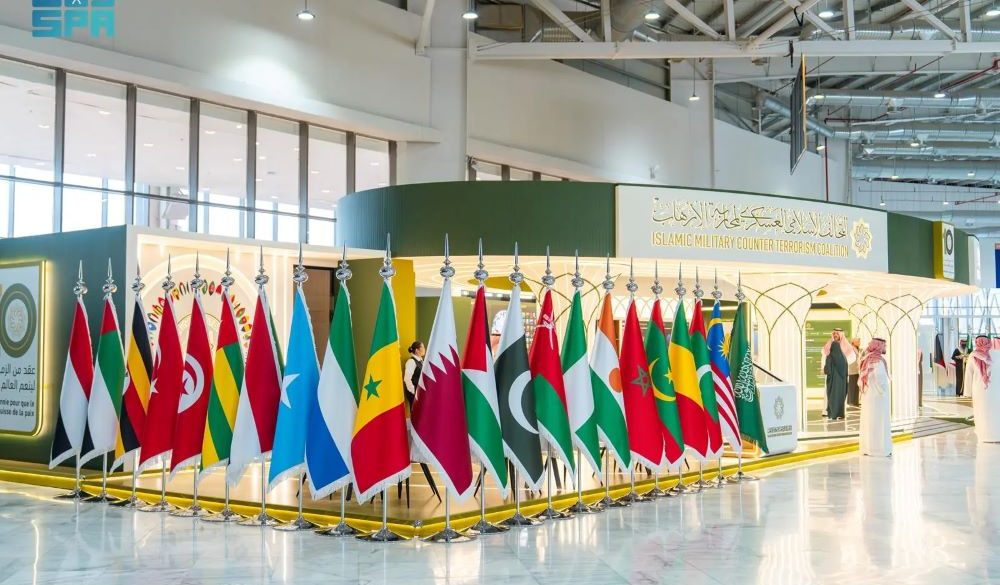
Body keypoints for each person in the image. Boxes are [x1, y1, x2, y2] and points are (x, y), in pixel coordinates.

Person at [859, 338, 892, 457]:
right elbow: (880, 378)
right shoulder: (878, 360)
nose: (885, 348)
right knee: (879, 423)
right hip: (878, 397)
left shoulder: (867, 359)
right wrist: (884, 391)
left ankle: (868, 448)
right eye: (884, 346)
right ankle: (879, 449)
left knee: (869, 422)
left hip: (868, 396)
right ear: (879, 346)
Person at [965, 336, 1000, 442]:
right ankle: (996, 435)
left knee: (981, 412)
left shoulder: (973, 355)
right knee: (994, 412)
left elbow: (968, 375)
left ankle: (984, 435)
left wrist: (967, 393)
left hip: (979, 390)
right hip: (995, 390)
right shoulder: (996, 354)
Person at [822, 328, 855, 420]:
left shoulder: (847, 346)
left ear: (841, 334)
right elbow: (824, 357)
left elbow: (852, 358)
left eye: (837, 333)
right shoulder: (829, 344)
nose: (835, 335)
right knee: (830, 392)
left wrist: (841, 363)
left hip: (841, 373)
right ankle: (827, 411)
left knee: (838, 393)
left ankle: (837, 411)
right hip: (832, 373)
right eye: (834, 334)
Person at [403, 340, 425, 408]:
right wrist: (414, 391)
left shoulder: (421, 361)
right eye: (422, 347)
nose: (424, 349)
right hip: (414, 394)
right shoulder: (411, 362)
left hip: (421, 393)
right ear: (417, 350)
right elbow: (407, 379)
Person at [847, 337, 862, 407]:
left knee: (856, 387)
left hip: (856, 370)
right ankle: (851, 401)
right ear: (853, 342)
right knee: (852, 386)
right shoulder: (851, 349)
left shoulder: (857, 349)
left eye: (859, 341)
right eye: (858, 341)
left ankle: (855, 401)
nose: (859, 343)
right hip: (852, 370)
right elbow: (850, 359)